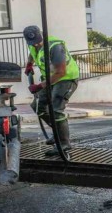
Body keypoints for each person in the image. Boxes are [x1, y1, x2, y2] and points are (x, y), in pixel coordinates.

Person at [23, 25, 79, 156]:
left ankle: (64, 142)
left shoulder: (55, 47)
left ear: (41, 34)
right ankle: (58, 133)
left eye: (38, 40)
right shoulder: (33, 44)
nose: (36, 44)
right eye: (33, 42)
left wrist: (39, 86)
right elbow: (32, 52)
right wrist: (29, 64)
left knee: (56, 110)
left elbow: (60, 72)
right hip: (50, 78)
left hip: (66, 79)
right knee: (38, 106)